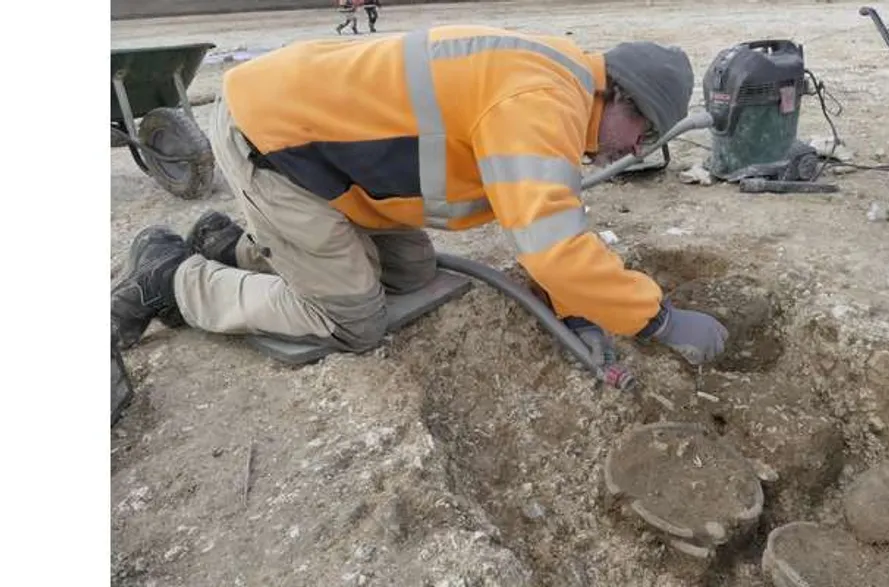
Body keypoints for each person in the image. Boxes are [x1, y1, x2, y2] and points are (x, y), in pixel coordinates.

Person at [110, 25, 729, 369]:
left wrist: (574, 307)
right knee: (353, 319)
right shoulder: (539, 106)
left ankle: (230, 244)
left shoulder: (562, 79)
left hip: (334, 159)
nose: (635, 151)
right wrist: (660, 320)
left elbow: (548, 225)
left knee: (411, 272)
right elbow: (554, 246)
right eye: (642, 134)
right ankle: (174, 277)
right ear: (618, 96)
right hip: (277, 144)